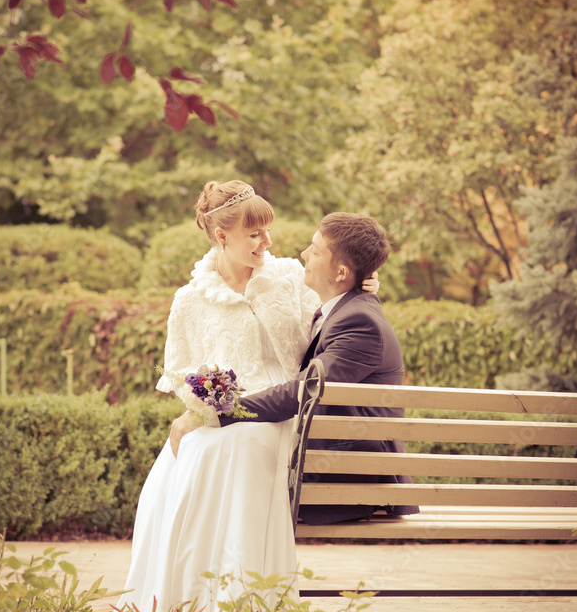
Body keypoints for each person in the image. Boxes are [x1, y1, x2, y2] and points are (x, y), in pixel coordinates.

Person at [118, 179, 325, 612]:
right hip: (221, 413)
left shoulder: (289, 277)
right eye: (255, 234)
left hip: (281, 408)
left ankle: (243, 607)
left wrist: (365, 281)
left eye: (267, 231)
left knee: (242, 447)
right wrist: (201, 405)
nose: (267, 242)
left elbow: (333, 308)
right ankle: (184, 610)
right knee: (176, 470)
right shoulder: (190, 300)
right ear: (221, 236)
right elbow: (181, 372)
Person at [170, 211, 419, 524]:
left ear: (341, 272)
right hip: (333, 459)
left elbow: (302, 392)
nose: (304, 254)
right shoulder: (344, 309)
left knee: (228, 451)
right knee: (223, 450)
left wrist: (216, 413)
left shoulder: (358, 323)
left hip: (350, 477)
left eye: (315, 250)